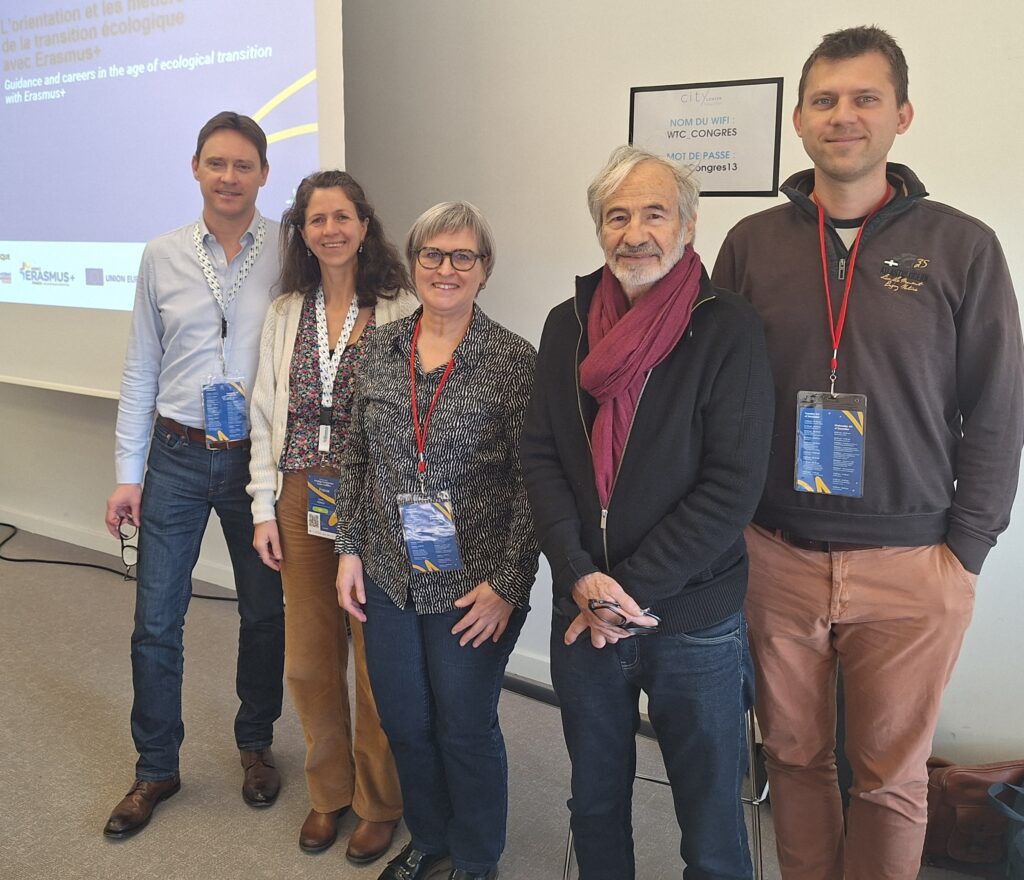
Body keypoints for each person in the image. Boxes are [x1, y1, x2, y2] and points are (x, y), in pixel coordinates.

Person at [712, 26, 1024, 880]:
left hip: (911, 561)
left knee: (890, 780)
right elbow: (717, 400)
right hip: (774, 556)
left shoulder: (963, 245)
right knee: (794, 762)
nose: (842, 116)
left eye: (864, 99)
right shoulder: (751, 243)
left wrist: (965, 551)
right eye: (824, 100)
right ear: (801, 121)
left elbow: (999, 406)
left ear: (902, 115)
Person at [521, 145, 774, 880]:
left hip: (691, 619)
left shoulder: (729, 329)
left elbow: (732, 485)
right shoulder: (566, 324)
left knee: (711, 816)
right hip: (584, 609)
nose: (635, 232)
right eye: (617, 215)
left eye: (654, 213)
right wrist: (578, 576)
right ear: (599, 230)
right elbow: (541, 456)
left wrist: (624, 591)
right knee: (594, 801)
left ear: (689, 227)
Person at [335, 201, 538, 880]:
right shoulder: (378, 350)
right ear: (413, 262)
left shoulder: (512, 361)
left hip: (474, 588)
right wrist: (349, 549)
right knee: (406, 725)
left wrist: (508, 586)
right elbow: (354, 459)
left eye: (463, 257)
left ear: (483, 272)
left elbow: (534, 486)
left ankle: (477, 859)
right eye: (432, 254)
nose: (445, 269)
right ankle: (430, 839)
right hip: (390, 575)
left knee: (463, 728)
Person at [102, 112, 286, 837]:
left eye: (244, 165)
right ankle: (155, 768)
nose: (230, 177)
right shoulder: (162, 254)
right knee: (155, 622)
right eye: (217, 164)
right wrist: (127, 474)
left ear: (265, 174)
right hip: (174, 454)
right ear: (196, 169)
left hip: (256, 461)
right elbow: (140, 366)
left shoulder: (292, 250)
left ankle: (255, 742)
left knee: (265, 613)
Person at [246, 170, 417, 861]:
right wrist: (263, 506)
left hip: (373, 498)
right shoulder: (289, 309)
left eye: (343, 216)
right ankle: (329, 792)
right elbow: (265, 412)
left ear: (364, 225)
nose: (331, 230)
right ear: (304, 232)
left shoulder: (401, 306)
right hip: (298, 494)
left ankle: (381, 802)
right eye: (317, 220)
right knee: (311, 660)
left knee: (377, 660)